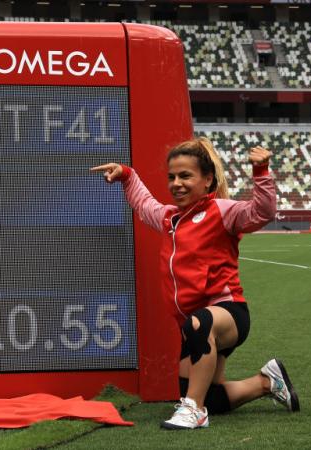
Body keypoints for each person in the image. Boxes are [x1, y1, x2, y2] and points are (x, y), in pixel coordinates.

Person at [90, 137, 300, 430]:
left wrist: (261, 170)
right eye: (172, 177)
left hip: (228, 314)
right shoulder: (169, 219)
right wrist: (126, 174)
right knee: (209, 395)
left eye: (186, 176)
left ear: (207, 179)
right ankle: (266, 382)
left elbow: (262, 212)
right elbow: (143, 202)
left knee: (198, 338)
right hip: (195, 329)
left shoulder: (223, 211)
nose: (177, 183)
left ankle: (194, 411)